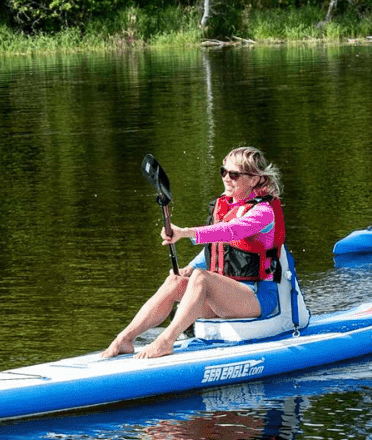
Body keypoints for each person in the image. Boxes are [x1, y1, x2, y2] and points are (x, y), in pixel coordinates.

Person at [102, 146, 285, 360]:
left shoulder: (263, 212)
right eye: (223, 172)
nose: (227, 178)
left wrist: (185, 233)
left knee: (201, 279)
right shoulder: (227, 206)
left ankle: (165, 341)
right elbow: (221, 248)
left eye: (234, 174)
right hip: (225, 298)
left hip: (256, 298)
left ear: (254, 180)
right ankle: (124, 339)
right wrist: (190, 267)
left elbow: (230, 231)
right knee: (175, 280)